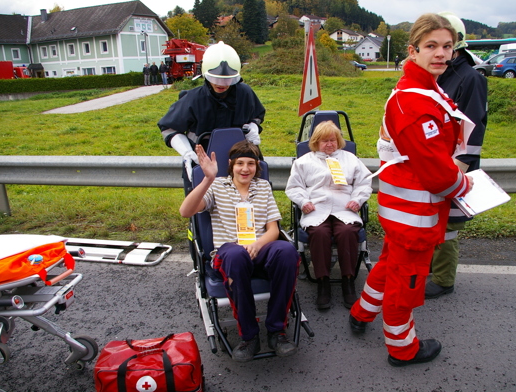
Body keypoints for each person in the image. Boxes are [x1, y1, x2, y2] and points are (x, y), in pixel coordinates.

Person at [348, 13, 474, 367]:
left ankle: (362, 313)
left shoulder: (421, 89)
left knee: (389, 265)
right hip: (415, 216)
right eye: (431, 46)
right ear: (413, 50)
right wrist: (466, 184)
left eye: (447, 46)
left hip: (402, 210)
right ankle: (403, 349)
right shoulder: (415, 102)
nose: (441, 54)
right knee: (406, 284)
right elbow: (437, 173)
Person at [179, 140, 300, 362]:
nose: (245, 169)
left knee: (287, 251)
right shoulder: (216, 186)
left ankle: (277, 331)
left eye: (251, 164)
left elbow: (273, 229)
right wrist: (207, 178)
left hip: (260, 248)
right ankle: (249, 336)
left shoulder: (262, 186)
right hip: (230, 252)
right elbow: (186, 211)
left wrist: (257, 244)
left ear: (257, 166)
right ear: (231, 165)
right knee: (236, 255)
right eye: (240, 163)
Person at [426, 12, 488, 300]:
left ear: (456, 45)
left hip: (455, 166)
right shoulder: (443, 76)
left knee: (448, 226)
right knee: (432, 221)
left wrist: (456, 170)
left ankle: (443, 279)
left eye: (445, 45)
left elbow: (474, 127)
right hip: (437, 162)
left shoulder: (470, 78)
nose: (438, 51)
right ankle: (431, 269)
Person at [285, 120, 372, 310]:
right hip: (316, 209)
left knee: (348, 232)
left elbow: (364, 183)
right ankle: (323, 282)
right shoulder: (304, 162)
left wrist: (357, 199)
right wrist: (303, 202)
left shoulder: (350, 159)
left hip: (344, 208)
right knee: (320, 234)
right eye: (324, 141)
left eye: (333, 140)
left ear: (338, 141)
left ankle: (348, 280)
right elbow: (294, 187)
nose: (329, 144)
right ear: (316, 142)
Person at [157, 41, 265, 188]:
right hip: (202, 166)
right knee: (201, 209)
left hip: (240, 166)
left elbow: (257, 115)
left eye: (228, 80)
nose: (221, 84)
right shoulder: (193, 99)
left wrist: (253, 126)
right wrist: (187, 153)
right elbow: (168, 128)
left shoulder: (245, 94)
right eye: (216, 79)